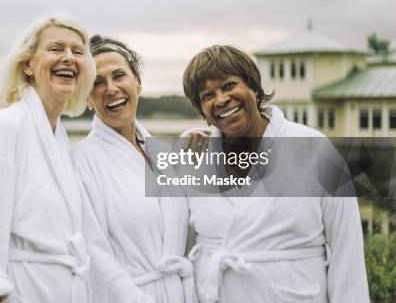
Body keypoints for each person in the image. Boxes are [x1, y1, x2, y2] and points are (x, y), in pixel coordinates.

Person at [182, 45, 369, 303]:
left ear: (254, 87)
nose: (221, 99)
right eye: (207, 95)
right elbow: (177, 239)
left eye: (228, 85)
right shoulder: (195, 159)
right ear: (201, 109)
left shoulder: (313, 146)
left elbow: (346, 246)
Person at [0, 14, 96, 303]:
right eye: (56, 49)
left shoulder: (58, 136)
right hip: (24, 292)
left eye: (78, 51)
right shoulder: (7, 126)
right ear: (28, 65)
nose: (69, 58)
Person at [74, 36, 195, 303]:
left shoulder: (162, 153)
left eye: (119, 76)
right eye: (97, 82)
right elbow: (94, 257)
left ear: (137, 83)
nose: (111, 88)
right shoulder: (81, 162)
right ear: (86, 98)